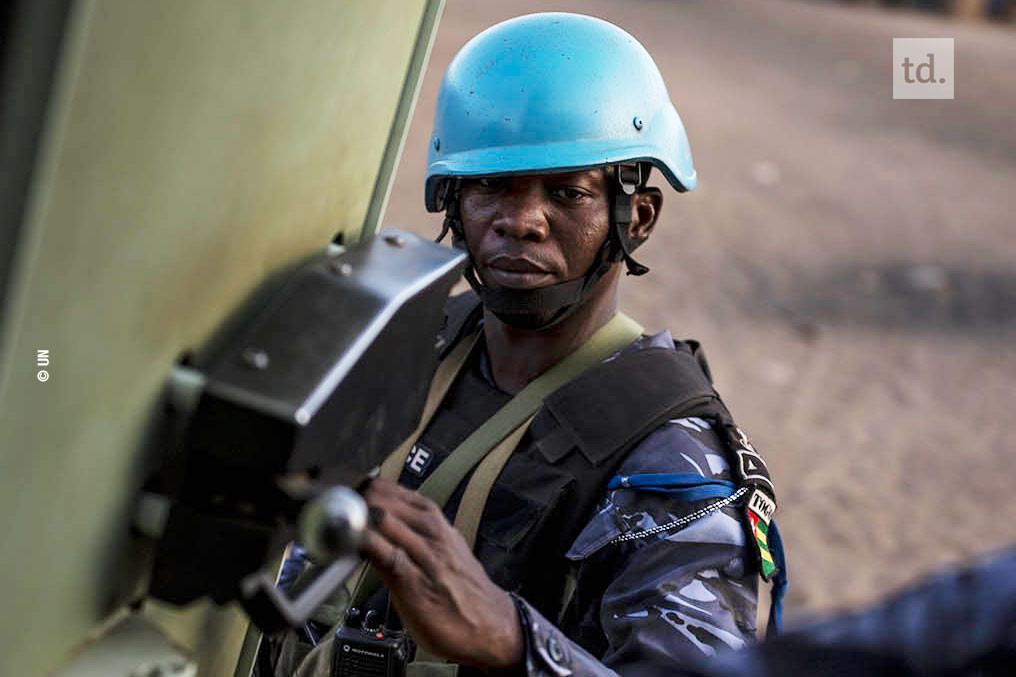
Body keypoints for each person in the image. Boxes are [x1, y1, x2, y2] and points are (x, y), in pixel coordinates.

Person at [277, 13, 786, 677]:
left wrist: (512, 641)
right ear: (454, 201)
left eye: (567, 192)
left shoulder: (677, 463)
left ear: (639, 216)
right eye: (493, 185)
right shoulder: (405, 347)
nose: (521, 221)